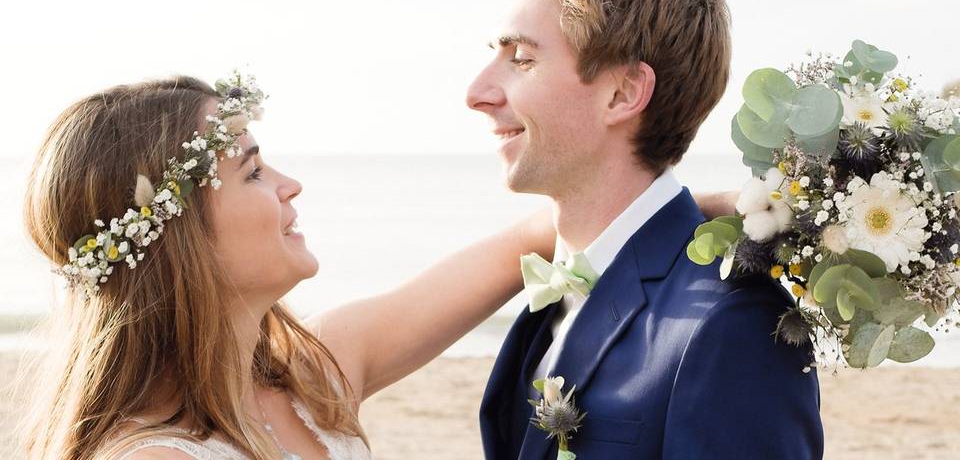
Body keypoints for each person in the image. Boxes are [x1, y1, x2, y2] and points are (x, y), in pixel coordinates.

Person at [17, 71, 735, 459]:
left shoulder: (315, 373)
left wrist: (727, 205)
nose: (290, 184)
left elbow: (534, 238)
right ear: (179, 236)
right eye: (254, 171)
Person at [468, 0, 824, 459]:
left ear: (623, 93)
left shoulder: (730, 327)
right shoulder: (552, 297)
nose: (477, 93)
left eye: (521, 58)